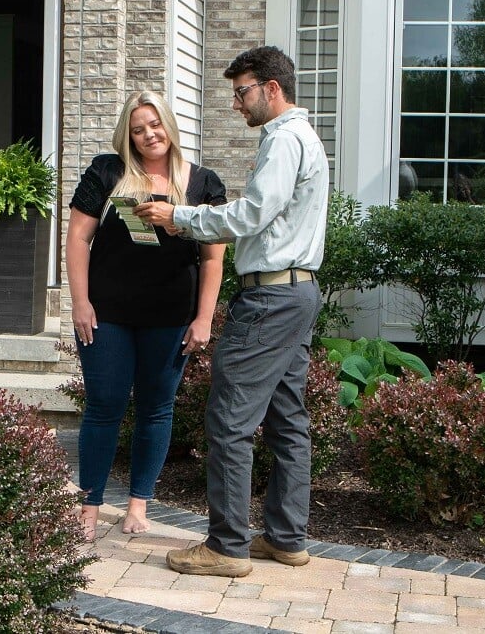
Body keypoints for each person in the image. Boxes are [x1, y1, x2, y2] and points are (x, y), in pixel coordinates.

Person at [134, 46, 329, 577]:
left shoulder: (285, 139)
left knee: (229, 419)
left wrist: (182, 217)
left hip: (270, 299)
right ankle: (286, 538)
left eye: (241, 92)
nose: (236, 103)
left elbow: (252, 213)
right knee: (288, 420)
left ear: (271, 88)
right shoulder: (303, 138)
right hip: (298, 294)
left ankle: (226, 546)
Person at [66, 90, 226, 541]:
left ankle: (138, 505)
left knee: (156, 409)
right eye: (137, 130)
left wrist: (204, 319)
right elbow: (78, 238)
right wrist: (80, 302)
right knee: (104, 406)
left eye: (154, 125)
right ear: (128, 135)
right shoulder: (108, 171)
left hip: (171, 315)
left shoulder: (203, 184)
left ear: (170, 126)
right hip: (107, 313)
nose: (148, 135)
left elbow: (213, 258)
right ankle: (90, 506)